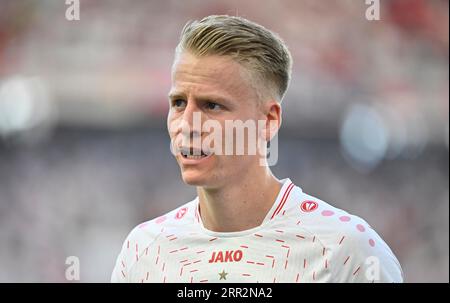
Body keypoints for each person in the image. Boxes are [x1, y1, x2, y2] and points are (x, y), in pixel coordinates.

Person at [111, 15, 403, 283]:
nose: (186, 124)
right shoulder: (144, 250)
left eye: (211, 105)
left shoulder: (347, 250)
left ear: (268, 120)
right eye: (178, 103)